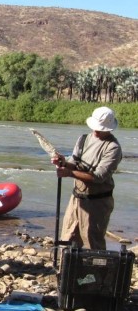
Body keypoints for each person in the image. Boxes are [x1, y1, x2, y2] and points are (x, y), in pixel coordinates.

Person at [51, 106, 122, 250]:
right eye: (95, 127)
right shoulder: (84, 139)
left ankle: (93, 272)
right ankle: (68, 271)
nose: (96, 131)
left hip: (97, 201)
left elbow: (99, 177)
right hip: (77, 198)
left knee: (92, 241)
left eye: (100, 129)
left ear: (109, 129)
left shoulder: (113, 148)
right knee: (68, 237)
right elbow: (75, 163)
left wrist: (69, 173)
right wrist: (64, 162)